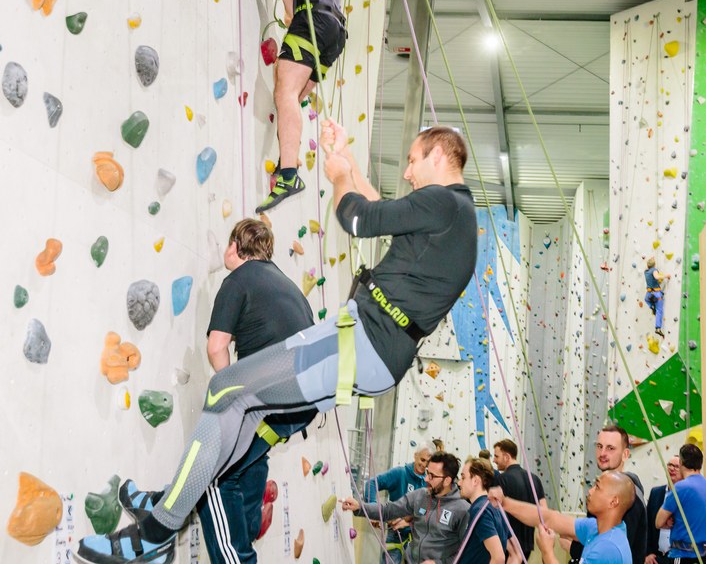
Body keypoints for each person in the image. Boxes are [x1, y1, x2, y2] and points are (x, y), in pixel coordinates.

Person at [75, 119, 478, 564]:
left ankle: (156, 533)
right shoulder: (453, 216)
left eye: (413, 160)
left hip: (363, 342)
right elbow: (386, 211)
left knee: (225, 389)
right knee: (243, 411)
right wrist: (345, 159)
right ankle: (165, 513)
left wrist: (338, 177)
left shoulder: (445, 202)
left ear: (438, 155)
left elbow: (358, 216)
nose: (407, 172)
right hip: (369, 348)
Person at [116, 219, 318, 564]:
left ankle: (217, 546)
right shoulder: (288, 287)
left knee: (214, 474)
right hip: (303, 401)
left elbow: (216, 346)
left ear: (234, 247)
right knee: (248, 459)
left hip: (273, 397)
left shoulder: (238, 280)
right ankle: (174, 508)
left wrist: (231, 401)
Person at [256, 0, 347, 213]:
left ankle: (288, 175)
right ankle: (286, 162)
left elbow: (303, 11)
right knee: (290, 98)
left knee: (285, 92)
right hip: (332, 31)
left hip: (315, 21)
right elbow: (294, 10)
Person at [343, 452, 471, 564]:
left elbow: (466, 552)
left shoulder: (462, 510)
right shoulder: (421, 496)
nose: (426, 478)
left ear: (447, 480)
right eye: (427, 473)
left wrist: (439, 563)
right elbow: (388, 510)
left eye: (432, 476)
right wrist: (359, 507)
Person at [492, 471, 635, 564]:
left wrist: (547, 552)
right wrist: (504, 503)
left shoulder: (608, 547)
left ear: (613, 502)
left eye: (597, 487)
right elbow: (550, 518)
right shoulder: (596, 527)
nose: (590, 491)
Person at [569, 425, 647, 564]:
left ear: (625, 454)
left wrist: (572, 548)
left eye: (610, 448)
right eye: (599, 446)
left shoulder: (628, 497)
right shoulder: (605, 491)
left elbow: (611, 551)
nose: (602, 453)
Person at [363, 445, 433, 563]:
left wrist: (409, 522)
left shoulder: (429, 483)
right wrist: (374, 510)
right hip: (396, 534)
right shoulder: (400, 473)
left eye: (428, 462)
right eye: (422, 460)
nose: (424, 465)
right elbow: (372, 483)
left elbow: (428, 511)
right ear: (415, 456)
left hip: (417, 537)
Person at [655, 445, 706, 564]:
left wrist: (668, 522)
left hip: (683, 555)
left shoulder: (680, 488)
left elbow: (658, 522)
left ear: (681, 462)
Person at [493, 439, 548, 561]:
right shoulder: (534, 479)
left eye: (496, 456)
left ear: (507, 457)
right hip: (527, 545)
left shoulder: (501, 480)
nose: (494, 460)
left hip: (509, 545)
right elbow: (544, 512)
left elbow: (494, 513)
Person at [456, 458, 515, 564]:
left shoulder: (480, 511)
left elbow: (498, 558)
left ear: (475, 481)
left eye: (463, 478)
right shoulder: (497, 508)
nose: (459, 483)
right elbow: (515, 554)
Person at [646, 455, 683, 564]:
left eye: (676, 466)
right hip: (655, 557)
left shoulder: (686, 496)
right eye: (670, 465)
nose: (672, 469)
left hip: (677, 557)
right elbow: (647, 525)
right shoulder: (656, 493)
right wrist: (647, 553)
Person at [644, 258, 669, 337]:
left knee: (647, 300)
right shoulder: (654, 270)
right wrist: (666, 276)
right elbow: (657, 277)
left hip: (648, 294)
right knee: (659, 311)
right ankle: (658, 328)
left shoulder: (646, 272)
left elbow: (649, 267)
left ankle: (652, 306)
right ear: (654, 265)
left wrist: (651, 260)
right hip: (656, 294)